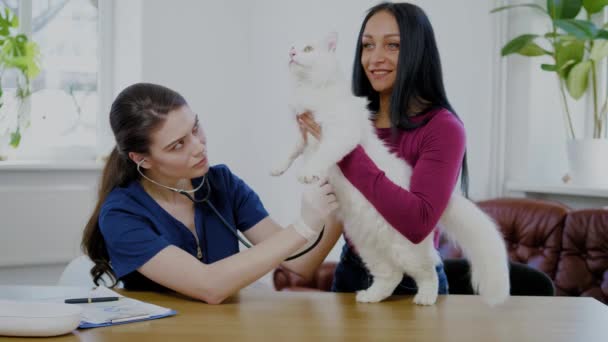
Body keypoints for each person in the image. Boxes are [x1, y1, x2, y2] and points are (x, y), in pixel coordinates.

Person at [298, 2, 554, 297]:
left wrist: (344, 152)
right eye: (367, 46)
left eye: (393, 45)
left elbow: (416, 222)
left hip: (412, 283)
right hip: (351, 274)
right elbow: (341, 209)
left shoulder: (443, 128)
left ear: (417, 51)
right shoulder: (348, 117)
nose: (375, 58)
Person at [81, 83, 343, 304]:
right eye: (177, 145)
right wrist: (303, 225)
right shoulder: (121, 214)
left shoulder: (222, 184)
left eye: (195, 128)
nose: (198, 147)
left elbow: (301, 263)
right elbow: (209, 286)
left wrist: (339, 194)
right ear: (143, 159)